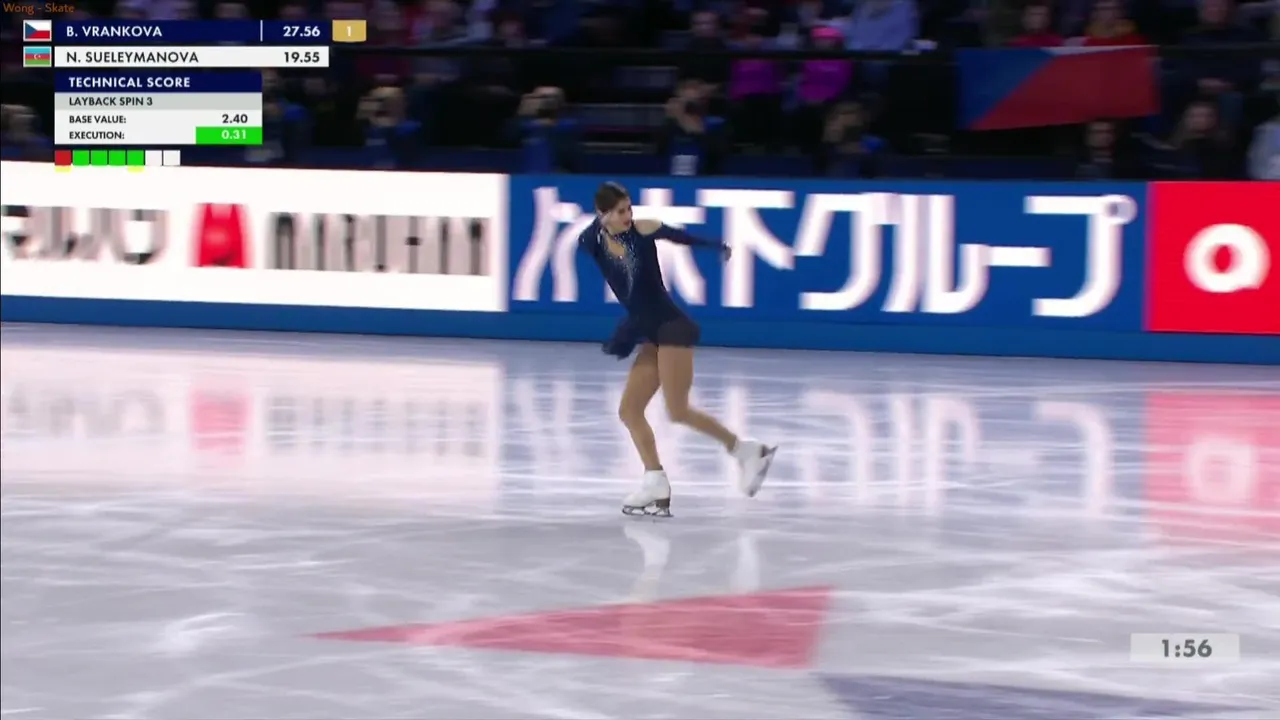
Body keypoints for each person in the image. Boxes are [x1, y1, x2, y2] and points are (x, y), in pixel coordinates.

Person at [579, 181, 777, 517]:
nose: (628, 216)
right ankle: (655, 480)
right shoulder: (591, 240)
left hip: (672, 327)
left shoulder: (643, 229)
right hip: (649, 331)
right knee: (629, 411)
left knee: (678, 410)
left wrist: (714, 246)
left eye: (630, 208)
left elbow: (680, 237)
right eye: (621, 211)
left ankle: (747, 452)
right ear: (603, 214)